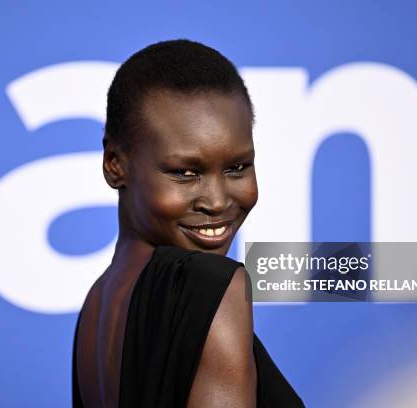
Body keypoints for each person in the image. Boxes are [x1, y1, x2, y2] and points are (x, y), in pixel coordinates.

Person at [72, 39, 304, 407]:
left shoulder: (99, 305)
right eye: (184, 172)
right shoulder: (209, 285)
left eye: (237, 168)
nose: (217, 201)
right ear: (115, 164)